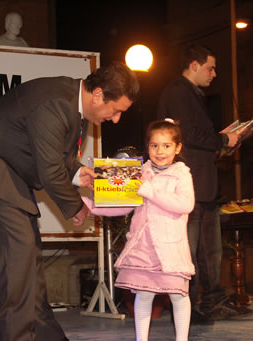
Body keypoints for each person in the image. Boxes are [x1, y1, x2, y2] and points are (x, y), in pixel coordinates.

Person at [0, 62, 139, 341]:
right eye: (116, 110)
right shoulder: (56, 102)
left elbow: (53, 155)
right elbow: (49, 170)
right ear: (97, 95)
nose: (116, 118)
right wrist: (76, 206)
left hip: (4, 171)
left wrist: (78, 171)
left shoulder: (72, 104)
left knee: (27, 256)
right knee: (16, 258)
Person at [157, 44, 251, 323]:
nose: (214, 73)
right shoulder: (177, 92)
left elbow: (197, 137)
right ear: (194, 66)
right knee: (187, 251)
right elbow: (186, 133)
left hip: (205, 187)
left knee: (210, 252)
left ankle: (213, 302)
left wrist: (221, 143)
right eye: (210, 67)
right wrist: (223, 140)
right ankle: (187, 307)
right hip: (189, 188)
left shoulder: (191, 94)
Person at [82, 119, 195, 341]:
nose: (160, 151)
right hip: (143, 246)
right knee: (143, 295)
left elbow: (185, 204)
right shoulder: (139, 173)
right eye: (154, 145)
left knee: (178, 295)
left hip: (170, 249)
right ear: (147, 147)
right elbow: (125, 204)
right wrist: (94, 207)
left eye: (166, 145)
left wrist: (150, 191)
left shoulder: (182, 174)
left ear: (178, 148)